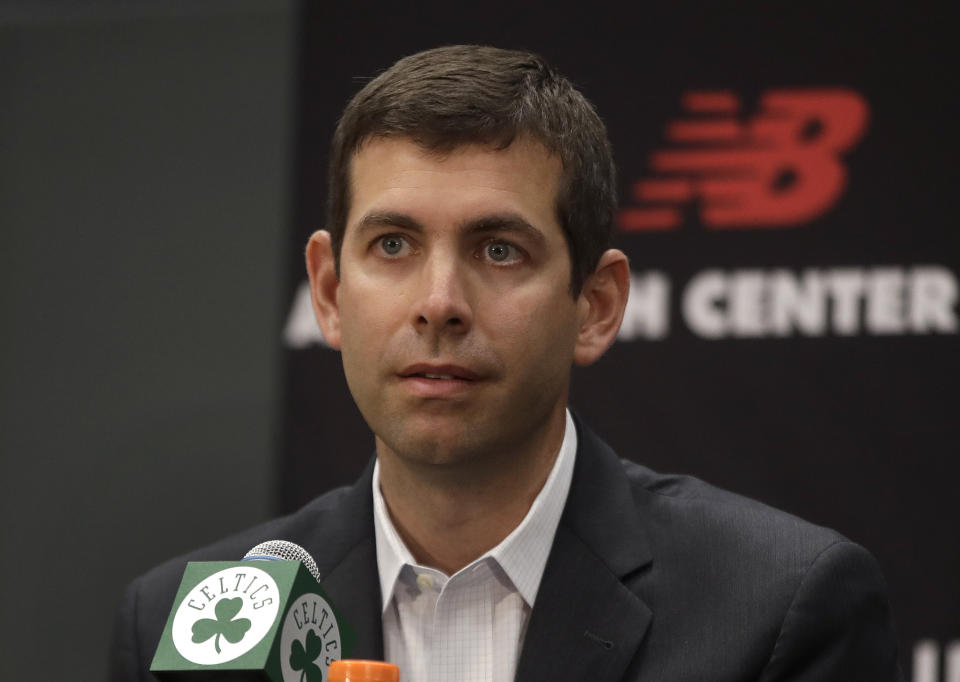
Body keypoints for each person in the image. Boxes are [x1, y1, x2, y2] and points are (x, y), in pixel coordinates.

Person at [110, 45, 903, 681]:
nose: (440, 301)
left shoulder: (780, 608)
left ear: (594, 305)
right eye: (393, 245)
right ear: (328, 291)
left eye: (499, 249)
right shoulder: (181, 626)